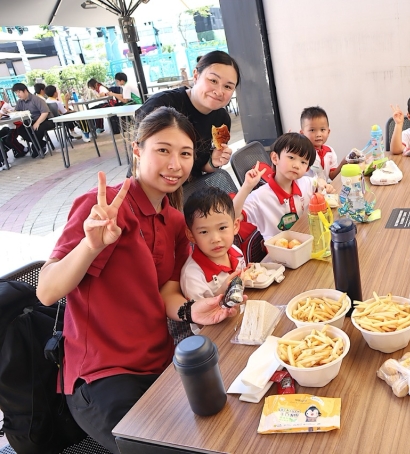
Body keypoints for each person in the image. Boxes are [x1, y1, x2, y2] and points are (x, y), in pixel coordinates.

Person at [35, 107, 241, 454]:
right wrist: (90, 245)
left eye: (185, 153)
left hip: (162, 363)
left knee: (225, 429)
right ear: (137, 150)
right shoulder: (102, 209)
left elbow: (167, 290)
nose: (175, 164)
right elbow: (46, 291)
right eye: (163, 150)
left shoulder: (175, 221)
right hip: (103, 377)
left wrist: (192, 310)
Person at [174, 176, 262, 343]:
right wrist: (221, 295)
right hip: (216, 338)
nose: (215, 239)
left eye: (222, 228)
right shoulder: (193, 276)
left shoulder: (235, 252)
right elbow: (200, 323)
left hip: (244, 321)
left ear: (235, 226)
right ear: (191, 235)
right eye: (204, 232)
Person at [136, 50, 239, 181]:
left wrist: (214, 162)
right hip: (153, 186)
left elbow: (201, 167)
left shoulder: (221, 120)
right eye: (213, 80)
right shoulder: (160, 105)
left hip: (192, 187)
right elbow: (139, 161)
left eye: (228, 87)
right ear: (196, 76)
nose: (219, 92)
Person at [241, 133, 335, 240]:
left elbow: (317, 181)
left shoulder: (305, 183)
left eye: (303, 162)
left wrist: (323, 184)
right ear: (275, 158)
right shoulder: (259, 197)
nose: (296, 165)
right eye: (291, 157)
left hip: (308, 241)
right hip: (279, 249)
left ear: (307, 169)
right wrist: (246, 187)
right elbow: (232, 217)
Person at [300, 106, 346, 182]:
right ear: (302, 133)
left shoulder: (330, 151)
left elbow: (332, 176)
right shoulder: (301, 153)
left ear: (328, 132)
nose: (318, 134)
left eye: (322, 129)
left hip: (325, 188)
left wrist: (343, 163)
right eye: (312, 130)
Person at [12, 83, 53, 157]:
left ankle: (35, 148)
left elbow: (45, 112)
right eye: (16, 93)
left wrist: (37, 123)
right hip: (31, 121)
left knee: (37, 129)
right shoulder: (20, 102)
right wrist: (10, 112)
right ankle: (41, 144)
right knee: (20, 130)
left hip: (45, 120)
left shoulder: (36, 99)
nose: (18, 94)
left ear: (25, 90)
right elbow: (16, 112)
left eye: (19, 92)